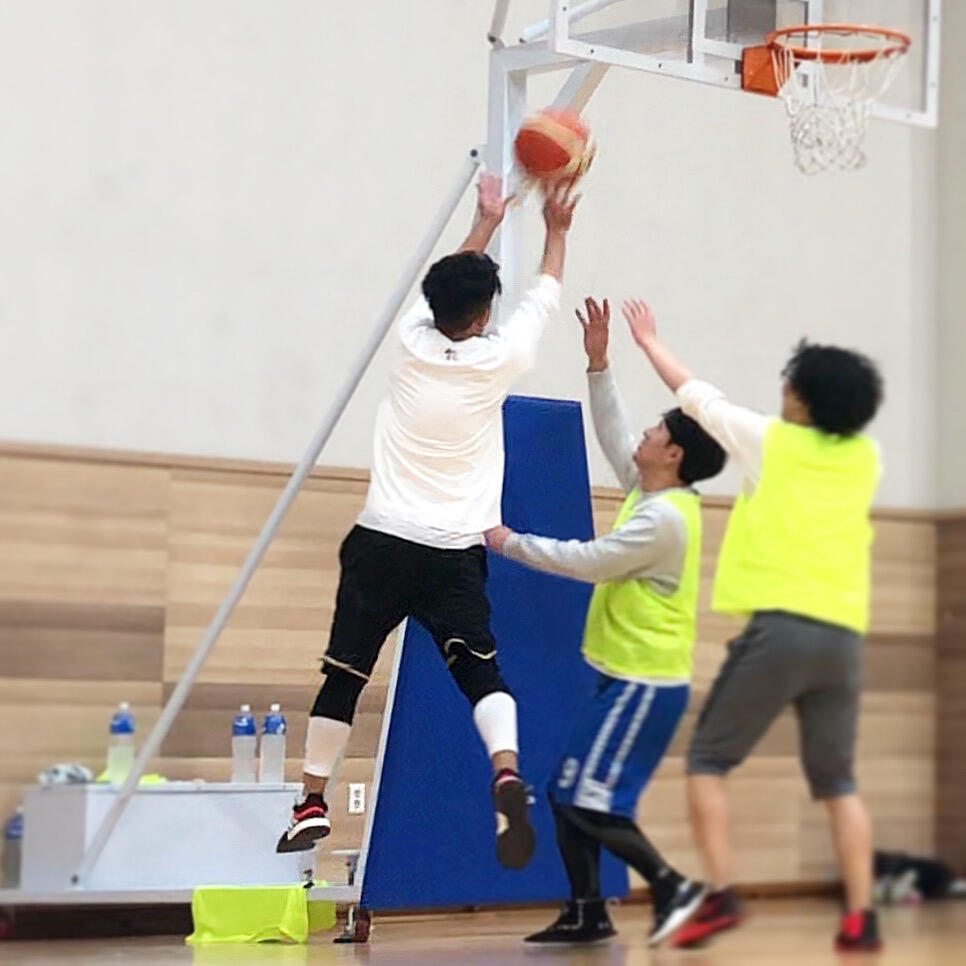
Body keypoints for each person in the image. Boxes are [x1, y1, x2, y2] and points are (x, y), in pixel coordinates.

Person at [276, 175, 580, 872]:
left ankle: (312, 802)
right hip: (452, 552)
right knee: (482, 675)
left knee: (345, 675)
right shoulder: (501, 357)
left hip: (381, 543)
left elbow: (439, 285)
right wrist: (557, 228)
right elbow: (546, 293)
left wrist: (484, 219)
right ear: (483, 316)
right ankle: (506, 771)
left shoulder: (408, 340)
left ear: (438, 306)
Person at [623, 299, 884, 952]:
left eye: (790, 383)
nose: (782, 390)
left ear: (804, 400)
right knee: (839, 782)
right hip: (843, 639)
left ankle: (722, 895)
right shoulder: (866, 458)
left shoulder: (772, 442)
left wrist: (649, 342)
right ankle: (861, 917)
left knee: (708, 760)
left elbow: (695, 395)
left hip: (783, 629)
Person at [485, 296, 726, 945]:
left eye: (657, 432)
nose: (644, 435)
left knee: (586, 798)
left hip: (646, 683)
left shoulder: (664, 520)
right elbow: (618, 435)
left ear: (674, 456)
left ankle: (676, 890)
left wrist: (506, 541)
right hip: (621, 677)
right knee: (565, 793)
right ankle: (588, 912)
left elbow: (589, 562)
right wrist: (599, 364)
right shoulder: (654, 493)